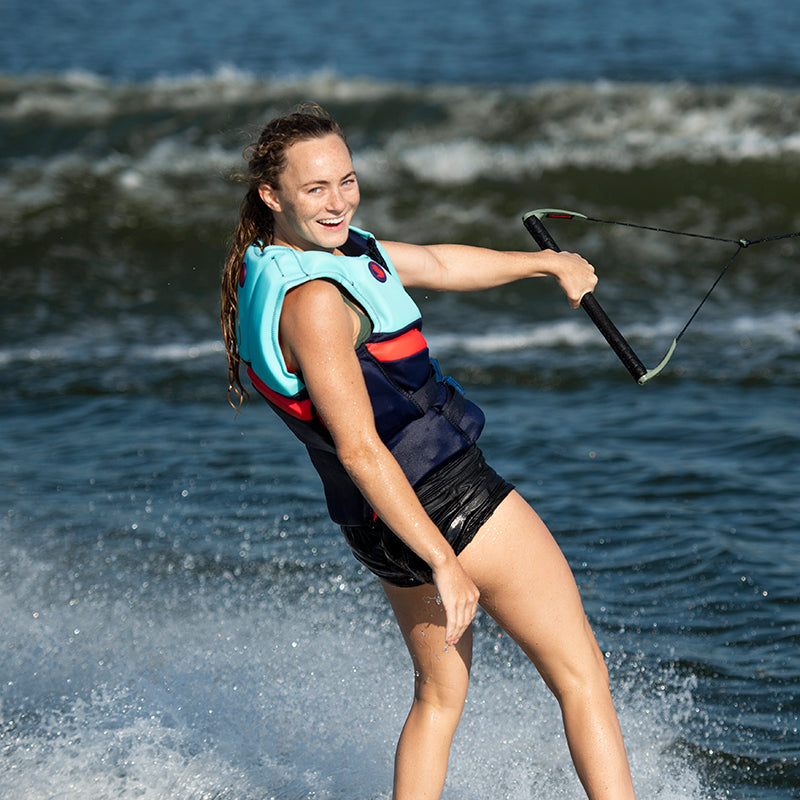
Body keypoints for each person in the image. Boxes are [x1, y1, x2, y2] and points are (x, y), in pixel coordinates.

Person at [221, 105, 637, 800]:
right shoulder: (316, 301)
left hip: (380, 526)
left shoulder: (293, 260)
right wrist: (445, 562)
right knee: (581, 673)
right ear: (272, 194)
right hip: (445, 500)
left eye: (347, 181)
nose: (339, 201)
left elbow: (440, 263)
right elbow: (359, 447)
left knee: (438, 703)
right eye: (316, 188)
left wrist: (543, 263)